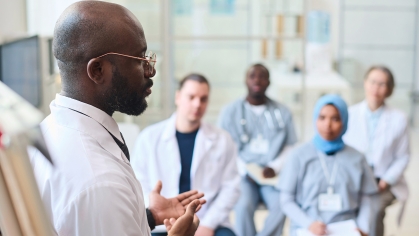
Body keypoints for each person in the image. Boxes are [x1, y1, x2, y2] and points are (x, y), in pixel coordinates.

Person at [28, 2, 205, 236]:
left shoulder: (49, 131)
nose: (150, 71)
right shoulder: (100, 183)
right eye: (139, 58)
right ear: (98, 70)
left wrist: (149, 216)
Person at [132, 74, 240, 236]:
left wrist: (208, 225)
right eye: (191, 97)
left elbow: (231, 187)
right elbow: (138, 184)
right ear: (178, 97)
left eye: (203, 99)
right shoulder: (149, 138)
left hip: (209, 222)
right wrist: (161, 216)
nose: (197, 104)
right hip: (162, 222)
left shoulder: (222, 139)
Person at [278, 94, 378, 236]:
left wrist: (362, 228)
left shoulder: (357, 158)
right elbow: (286, 200)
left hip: (346, 228)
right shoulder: (298, 156)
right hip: (307, 228)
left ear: (344, 121)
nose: (328, 125)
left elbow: (368, 198)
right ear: (315, 119)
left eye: (335, 119)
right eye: (322, 118)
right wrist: (309, 224)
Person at [218, 64, 297, 236]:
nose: (257, 80)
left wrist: (275, 167)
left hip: (272, 176)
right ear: (245, 80)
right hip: (243, 175)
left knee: (282, 204)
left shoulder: (283, 112)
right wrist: (246, 170)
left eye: (262, 76)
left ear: (269, 82)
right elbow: (225, 147)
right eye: (252, 75)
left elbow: (290, 145)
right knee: (243, 205)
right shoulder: (230, 112)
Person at [343, 66, 410, 236]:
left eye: (382, 84)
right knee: (345, 209)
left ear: (389, 89)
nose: (376, 88)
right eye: (373, 82)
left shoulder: (399, 118)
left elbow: (403, 157)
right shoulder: (350, 114)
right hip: (355, 179)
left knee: (374, 211)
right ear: (365, 83)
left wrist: (386, 181)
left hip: (384, 182)